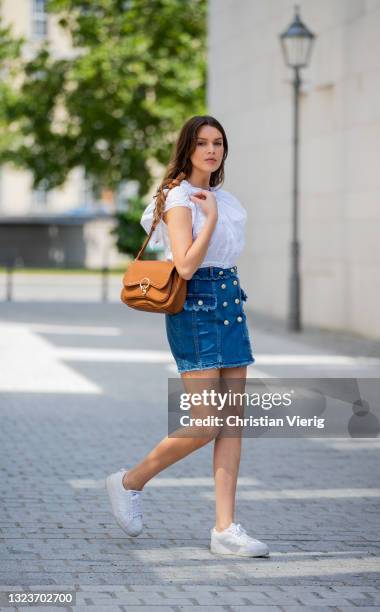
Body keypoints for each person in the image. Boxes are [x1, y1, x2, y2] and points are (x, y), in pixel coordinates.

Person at [106, 115, 269, 558]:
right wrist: (209, 218)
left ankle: (224, 529)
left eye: (218, 143)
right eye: (202, 143)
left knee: (231, 423)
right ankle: (128, 482)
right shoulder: (180, 198)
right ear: (188, 149)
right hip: (194, 309)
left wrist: (216, 209)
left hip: (230, 306)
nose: (211, 150)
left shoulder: (227, 199)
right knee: (205, 422)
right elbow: (185, 266)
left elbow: (225, 261)